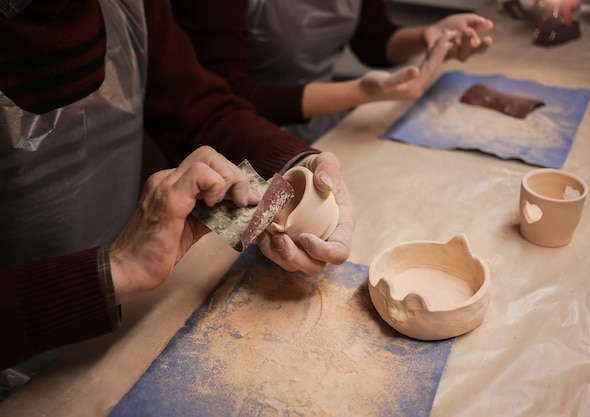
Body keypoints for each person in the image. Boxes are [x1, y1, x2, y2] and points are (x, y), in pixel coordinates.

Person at [0, 0, 355, 380]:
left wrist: (296, 166)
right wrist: (110, 270)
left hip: (130, 307)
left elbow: (198, 108)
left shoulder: (129, 7)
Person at [171, 0, 495, 143]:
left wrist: (428, 34)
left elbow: (372, 38)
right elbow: (223, 96)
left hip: (320, 127)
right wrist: (360, 93)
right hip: (231, 140)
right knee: (240, 257)